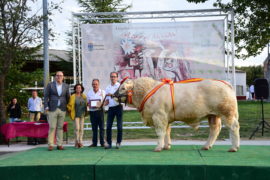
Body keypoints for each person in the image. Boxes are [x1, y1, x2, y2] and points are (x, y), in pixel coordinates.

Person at [44, 71, 70, 151]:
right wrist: (46, 106)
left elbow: (67, 97)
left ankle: (59, 144)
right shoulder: (50, 85)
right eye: (57, 75)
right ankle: (50, 144)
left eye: (60, 75)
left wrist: (68, 107)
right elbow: (46, 96)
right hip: (52, 108)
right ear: (55, 77)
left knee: (60, 127)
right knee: (52, 127)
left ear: (63, 77)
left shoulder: (66, 86)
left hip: (62, 108)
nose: (59, 77)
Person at [104, 72, 123, 149]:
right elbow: (107, 100)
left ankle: (118, 142)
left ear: (117, 78)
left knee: (119, 126)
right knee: (108, 127)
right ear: (110, 77)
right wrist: (101, 104)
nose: (113, 78)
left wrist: (111, 95)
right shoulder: (107, 87)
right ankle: (109, 143)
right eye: (111, 77)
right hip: (111, 108)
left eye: (114, 77)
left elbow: (121, 97)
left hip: (118, 107)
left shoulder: (120, 86)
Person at [67, 84, 87, 148]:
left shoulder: (84, 96)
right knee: (77, 129)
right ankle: (76, 142)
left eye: (79, 88)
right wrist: (68, 109)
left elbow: (86, 104)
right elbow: (69, 105)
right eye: (77, 88)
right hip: (75, 115)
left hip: (82, 115)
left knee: (81, 129)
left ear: (81, 89)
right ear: (75, 89)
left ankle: (80, 142)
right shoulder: (73, 96)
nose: (78, 89)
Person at [87, 79, 105, 147]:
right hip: (92, 112)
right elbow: (88, 103)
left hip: (100, 111)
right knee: (94, 128)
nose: (95, 85)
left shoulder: (103, 92)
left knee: (102, 127)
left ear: (99, 84)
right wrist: (89, 105)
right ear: (92, 85)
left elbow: (106, 102)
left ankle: (102, 142)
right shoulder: (89, 93)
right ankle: (94, 143)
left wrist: (101, 104)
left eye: (96, 84)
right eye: (93, 84)